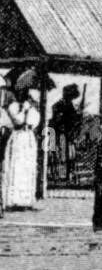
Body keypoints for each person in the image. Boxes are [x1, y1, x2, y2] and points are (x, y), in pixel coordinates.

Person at [3, 82, 42, 210]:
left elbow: (35, 121)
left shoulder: (32, 107)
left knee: (27, 167)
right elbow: (17, 120)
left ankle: (26, 201)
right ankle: (13, 201)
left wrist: (30, 110)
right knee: (16, 167)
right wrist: (23, 110)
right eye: (21, 92)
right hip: (18, 137)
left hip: (28, 137)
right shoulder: (13, 106)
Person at [50, 84, 82, 181]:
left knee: (70, 155)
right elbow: (57, 119)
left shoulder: (70, 105)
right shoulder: (59, 105)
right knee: (61, 155)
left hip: (68, 134)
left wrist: (77, 117)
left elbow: (74, 120)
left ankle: (68, 175)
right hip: (60, 133)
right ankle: (61, 175)